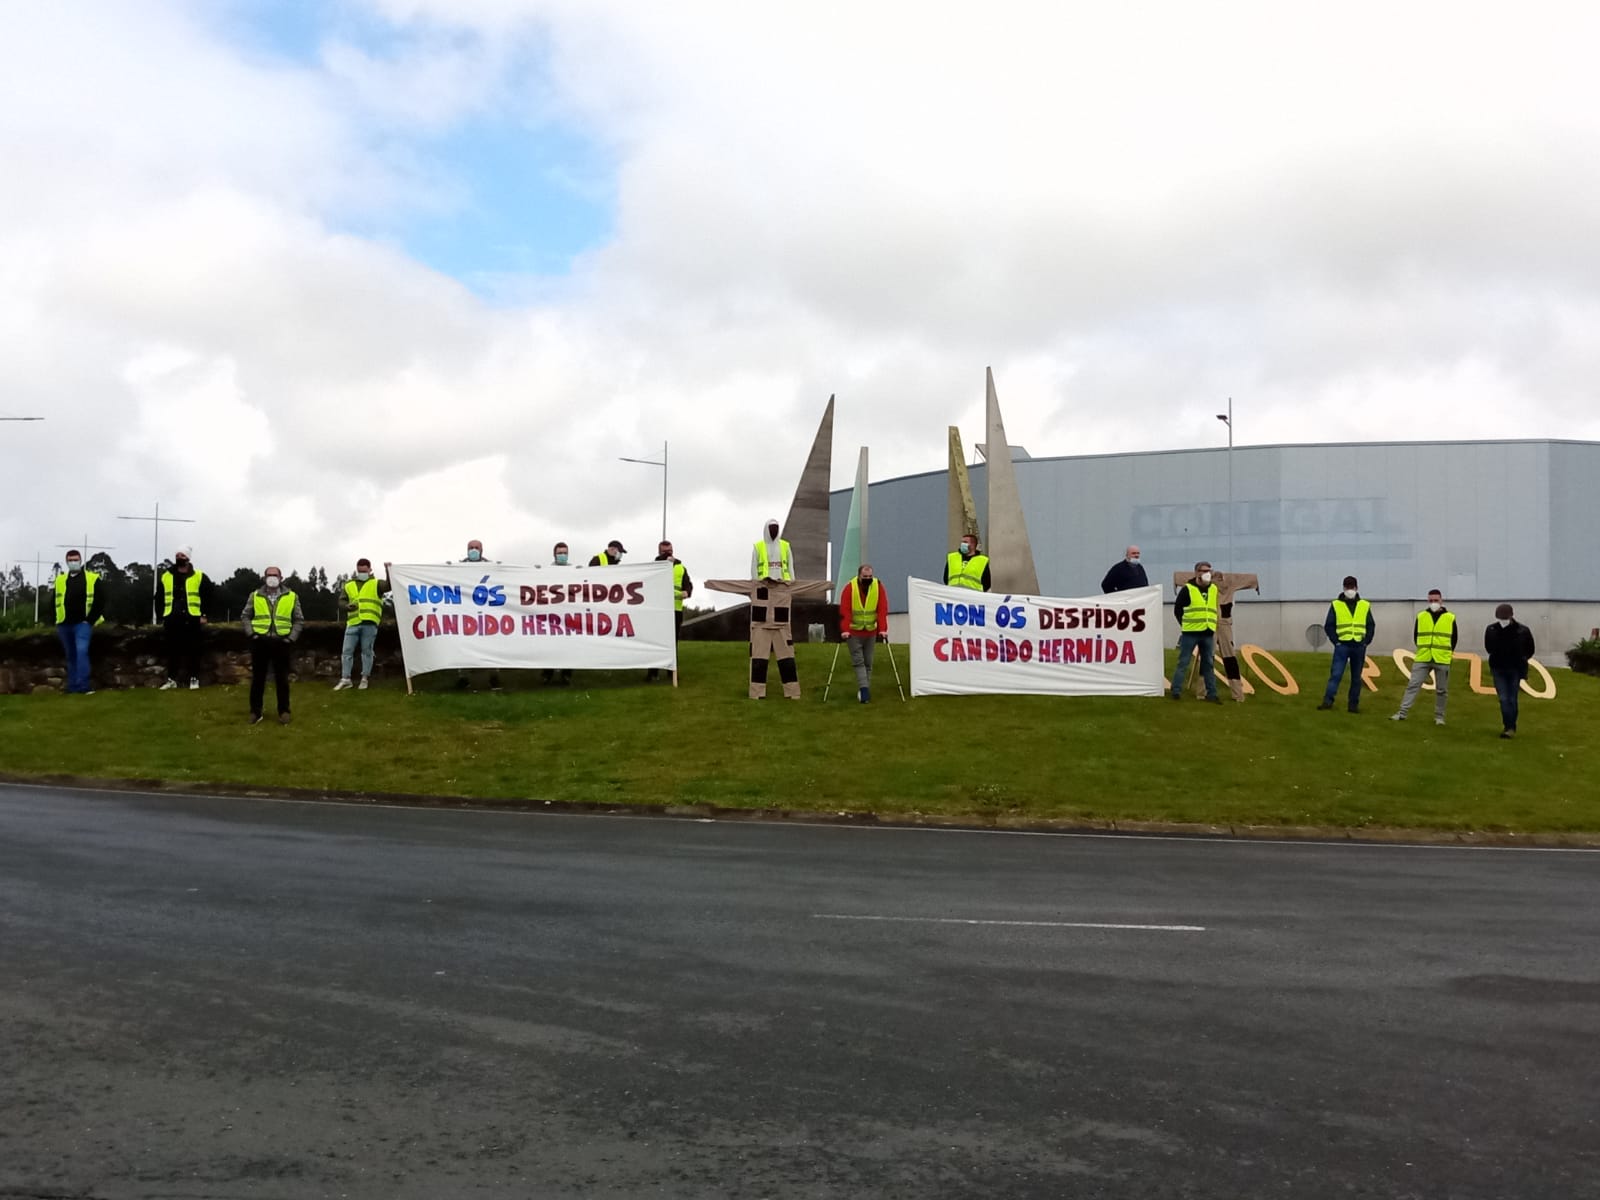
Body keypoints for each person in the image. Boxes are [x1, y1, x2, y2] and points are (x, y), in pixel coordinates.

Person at [706, 573, 833, 699]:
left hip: (782, 628)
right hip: (760, 628)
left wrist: (828, 585)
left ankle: (792, 692)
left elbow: (809, 586)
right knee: (758, 661)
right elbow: (732, 585)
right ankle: (757, 693)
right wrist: (710, 584)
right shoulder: (754, 586)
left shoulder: (787, 586)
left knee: (787, 660)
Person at [1172, 569, 1260, 701]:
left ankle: (1236, 693)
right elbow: (1183, 578)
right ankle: (1202, 692)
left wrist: (1255, 584)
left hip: (1223, 624)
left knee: (1229, 657)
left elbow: (1250, 579)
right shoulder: (1207, 584)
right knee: (1208, 658)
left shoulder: (1230, 580)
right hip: (1210, 625)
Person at [241, 566, 303, 726]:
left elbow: (298, 620)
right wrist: (252, 634)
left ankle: (284, 712)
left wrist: (290, 638)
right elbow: (245, 616)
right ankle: (255, 712)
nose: (272, 578)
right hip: (260, 641)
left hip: (282, 642)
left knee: (282, 679)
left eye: (275, 575)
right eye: (269, 575)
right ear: (264, 577)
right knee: (258, 680)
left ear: (281, 578)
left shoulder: (292, 596)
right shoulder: (255, 595)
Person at [1391, 589, 1457, 725]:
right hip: (1423, 657)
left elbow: (1454, 639)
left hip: (1442, 658)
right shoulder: (1421, 616)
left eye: (1436, 600)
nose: (1433, 603)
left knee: (1442, 690)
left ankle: (1439, 717)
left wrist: (1447, 653)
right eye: (1431, 600)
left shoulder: (1450, 617)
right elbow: (1416, 636)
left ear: (1441, 601)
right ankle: (1402, 713)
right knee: (1413, 685)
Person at [1317, 575, 1375, 713]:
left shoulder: (1364, 605)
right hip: (1342, 645)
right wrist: (1336, 641)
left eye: (1352, 587)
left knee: (1356, 677)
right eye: (1348, 587)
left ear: (1356, 588)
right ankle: (1327, 701)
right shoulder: (1336, 604)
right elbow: (1329, 625)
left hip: (1358, 645)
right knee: (1336, 674)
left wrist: (1366, 641)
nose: (1350, 590)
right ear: (1343, 588)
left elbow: (1370, 625)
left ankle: (1353, 705)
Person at [159, 546, 214, 690]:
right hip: (172, 617)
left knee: (194, 650)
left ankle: (194, 679)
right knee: (172, 650)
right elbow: (159, 597)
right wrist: (161, 616)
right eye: (177, 555)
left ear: (188, 558)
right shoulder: (166, 575)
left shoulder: (199, 576)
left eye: (182, 555)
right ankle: (172, 680)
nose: (179, 558)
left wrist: (204, 614)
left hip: (192, 617)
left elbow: (209, 596)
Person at [53, 550, 106, 695]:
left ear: (81, 561)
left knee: (81, 652)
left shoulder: (92, 578)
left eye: (75, 559)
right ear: (66, 562)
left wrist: (89, 620)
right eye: (70, 560)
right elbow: (55, 600)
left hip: (82, 624)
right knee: (71, 655)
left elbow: (100, 601)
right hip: (64, 624)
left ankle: (84, 686)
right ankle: (72, 687)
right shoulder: (60, 580)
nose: (73, 562)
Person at [1169, 560, 1222, 703]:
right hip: (1191, 632)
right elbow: (1177, 609)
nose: (1207, 574)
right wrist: (1184, 624)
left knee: (1208, 664)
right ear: (1197, 573)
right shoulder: (1188, 589)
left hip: (1207, 632)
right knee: (1184, 662)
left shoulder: (1213, 589)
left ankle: (1212, 694)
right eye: (1204, 571)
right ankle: (1176, 691)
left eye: (1209, 571)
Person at [838, 562, 889, 703]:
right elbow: (845, 610)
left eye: (870, 576)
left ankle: (863, 688)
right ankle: (865, 691)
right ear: (859, 576)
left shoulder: (878, 587)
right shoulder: (850, 588)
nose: (868, 578)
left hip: (870, 631)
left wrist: (883, 629)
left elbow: (882, 609)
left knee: (868, 662)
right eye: (865, 576)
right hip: (854, 631)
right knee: (858, 661)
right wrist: (845, 630)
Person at [334, 557, 387, 691]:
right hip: (353, 622)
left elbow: (389, 586)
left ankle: (365, 678)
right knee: (346, 651)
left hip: (370, 623)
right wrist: (347, 606)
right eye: (359, 571)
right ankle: (346, 679)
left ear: (370, 570)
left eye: (364, 571)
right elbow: (341, 602)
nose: (361, 573)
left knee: (367, 651)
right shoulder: (349, 584)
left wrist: (388, 570)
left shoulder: (377, 583)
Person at [1484, 603, 1536, 739]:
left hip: (1515, 669)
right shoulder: (1491, 629)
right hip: (1498, 668)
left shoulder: (1522, 631)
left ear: (1511, 616)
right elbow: (1488, 647)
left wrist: (1522, 659)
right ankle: (1508, 726)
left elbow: (1530, 649)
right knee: (1503, 698)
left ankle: (1511, 726)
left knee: (1512, 699)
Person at [646, 539, 692, 682]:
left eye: (670, 550)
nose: (668, 553)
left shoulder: (680, 567)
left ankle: (671, 671)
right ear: (659, 552)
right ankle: (653, 673)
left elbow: (688, 584)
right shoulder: (654, 567)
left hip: (675, 610)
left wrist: (687, 592)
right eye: (665, 551)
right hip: (659, 611)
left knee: (673, 643)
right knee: (656, 641)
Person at [457, 539, 500, 691]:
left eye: (476, 548)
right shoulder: (458, 567)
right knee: (463, 646)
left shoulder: (491, 567)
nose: (473, 550)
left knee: (491, 646)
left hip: (486, 615)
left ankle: (494, 677)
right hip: (466, 613)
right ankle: (463, 678)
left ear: (482, 550)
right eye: (471, 548)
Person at [543, 542, 574, 687]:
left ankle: (566, 674)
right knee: (550, 644)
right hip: (552, 613)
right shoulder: (547, 570)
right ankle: (547, 673)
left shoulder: (574, 570)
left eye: (565, 552)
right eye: (560, 552)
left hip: (568, 613)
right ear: (554, 554)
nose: (562, 555)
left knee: (568, 645)